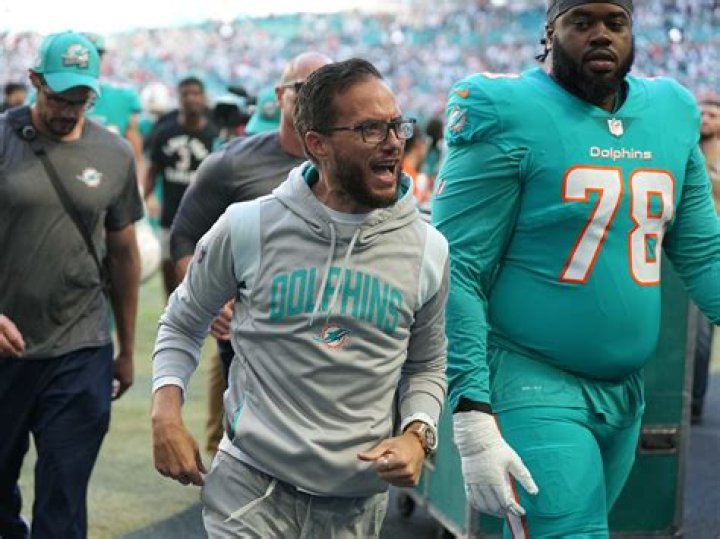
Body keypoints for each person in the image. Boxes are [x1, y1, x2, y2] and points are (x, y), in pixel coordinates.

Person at [433, 1, 720, 536]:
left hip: (625, 392)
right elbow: (458, 268)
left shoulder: (671, 109)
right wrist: (471, 406)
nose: (601, 35)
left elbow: (704, 252)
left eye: (615, 22)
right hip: (531, 380)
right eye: (581, 22)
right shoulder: (506, 108)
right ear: (549, 32)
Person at [151, 58, 448, 537]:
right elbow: (182, 322)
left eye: (397, 125)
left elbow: (427, 363)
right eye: (370, 129)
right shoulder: (248, 225)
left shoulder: (428, 248)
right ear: (318, 144)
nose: (394, 142)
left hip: (355, 503)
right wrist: (165, 414)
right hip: (249, 489)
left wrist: (418, 433)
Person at [0, 31, 142, 538]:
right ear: (35, 81)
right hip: (6, 347)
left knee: (64, 498)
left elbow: (124, 253)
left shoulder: (115, 154)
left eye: (79, 99)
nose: (67, 110)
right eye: (58, 97)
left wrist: (126, 350)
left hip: (81, 346)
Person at [170, 51, 332, 455]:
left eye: (326, 88)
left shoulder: (351, 164)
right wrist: (209, 301)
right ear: (279, 95)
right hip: (251, 342)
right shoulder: (231, 164)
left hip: (332, 342)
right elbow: (185, 237)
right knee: (247, 452)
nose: (314, 97)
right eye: (302, 88)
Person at [143, 76, 217, 297]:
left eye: (196, 93)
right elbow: (152, 170)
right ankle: (171, 311)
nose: (191, 98)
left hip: (207, 218)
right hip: (171, 217)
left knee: (207, 277)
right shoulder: (165, 132)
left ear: (204, 98)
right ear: (179, 98)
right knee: (169, 270)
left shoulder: (214, 134)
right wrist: (145, 198)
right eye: (186, 94)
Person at [692, 96, 720, 424]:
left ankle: (695, 402)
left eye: (713, 114)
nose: (706, 118)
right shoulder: (685, 149)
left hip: (713, 253)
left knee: (702, 334)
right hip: (683, 250)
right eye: (701, 113)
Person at [83, 33, 145, 173]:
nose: (88, 62)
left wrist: (137, 181)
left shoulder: (123, 98)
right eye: (84, 56)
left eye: (96, 56)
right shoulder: (46, 98)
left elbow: (135, 154)